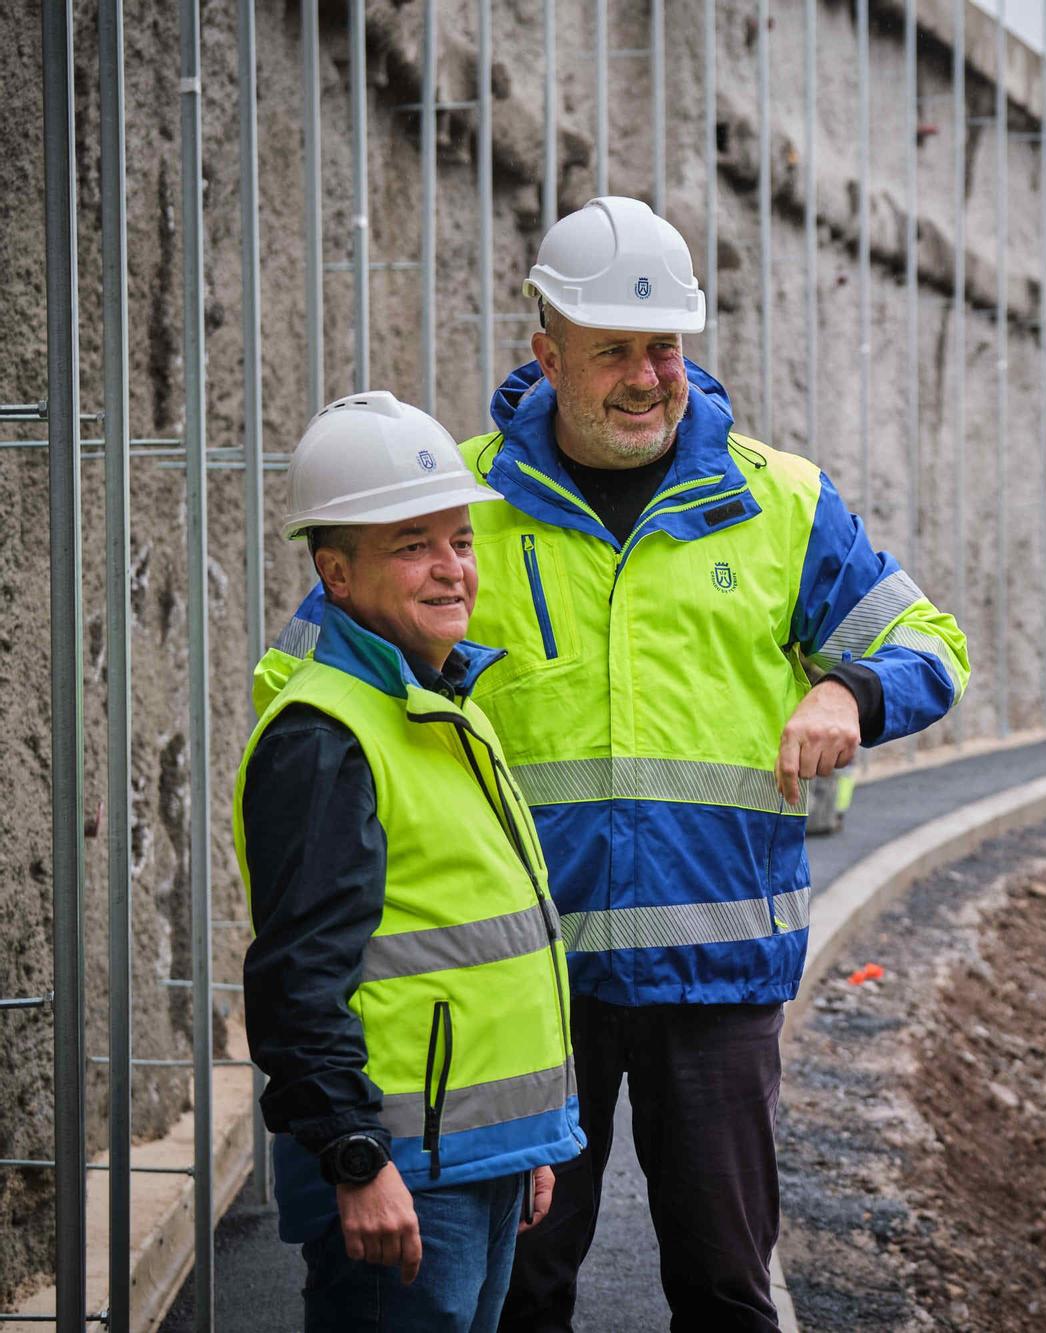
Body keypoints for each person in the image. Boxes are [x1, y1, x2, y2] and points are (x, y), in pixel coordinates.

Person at [456, 196, 969, 1331]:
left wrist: (851, 686)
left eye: (666, 348)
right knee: (516, 1294)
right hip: (527, 986)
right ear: (546, 354)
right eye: (614, 353)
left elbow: (929, 641)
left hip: (719, 978)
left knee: (727, 1291)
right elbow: (325, 671)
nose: (648, 377)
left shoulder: (777, 500)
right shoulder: (459, 506)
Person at [234, 391, 587, 1333]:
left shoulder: (443, 707)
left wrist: (528, 1137)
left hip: (475, 1164)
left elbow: (481, 941)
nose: (451, 569)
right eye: (413, 544)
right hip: (399, 1179)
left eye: (460, 540)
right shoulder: (327, 736)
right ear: (336, 574)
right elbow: (298, 983)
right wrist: (354, 1157)